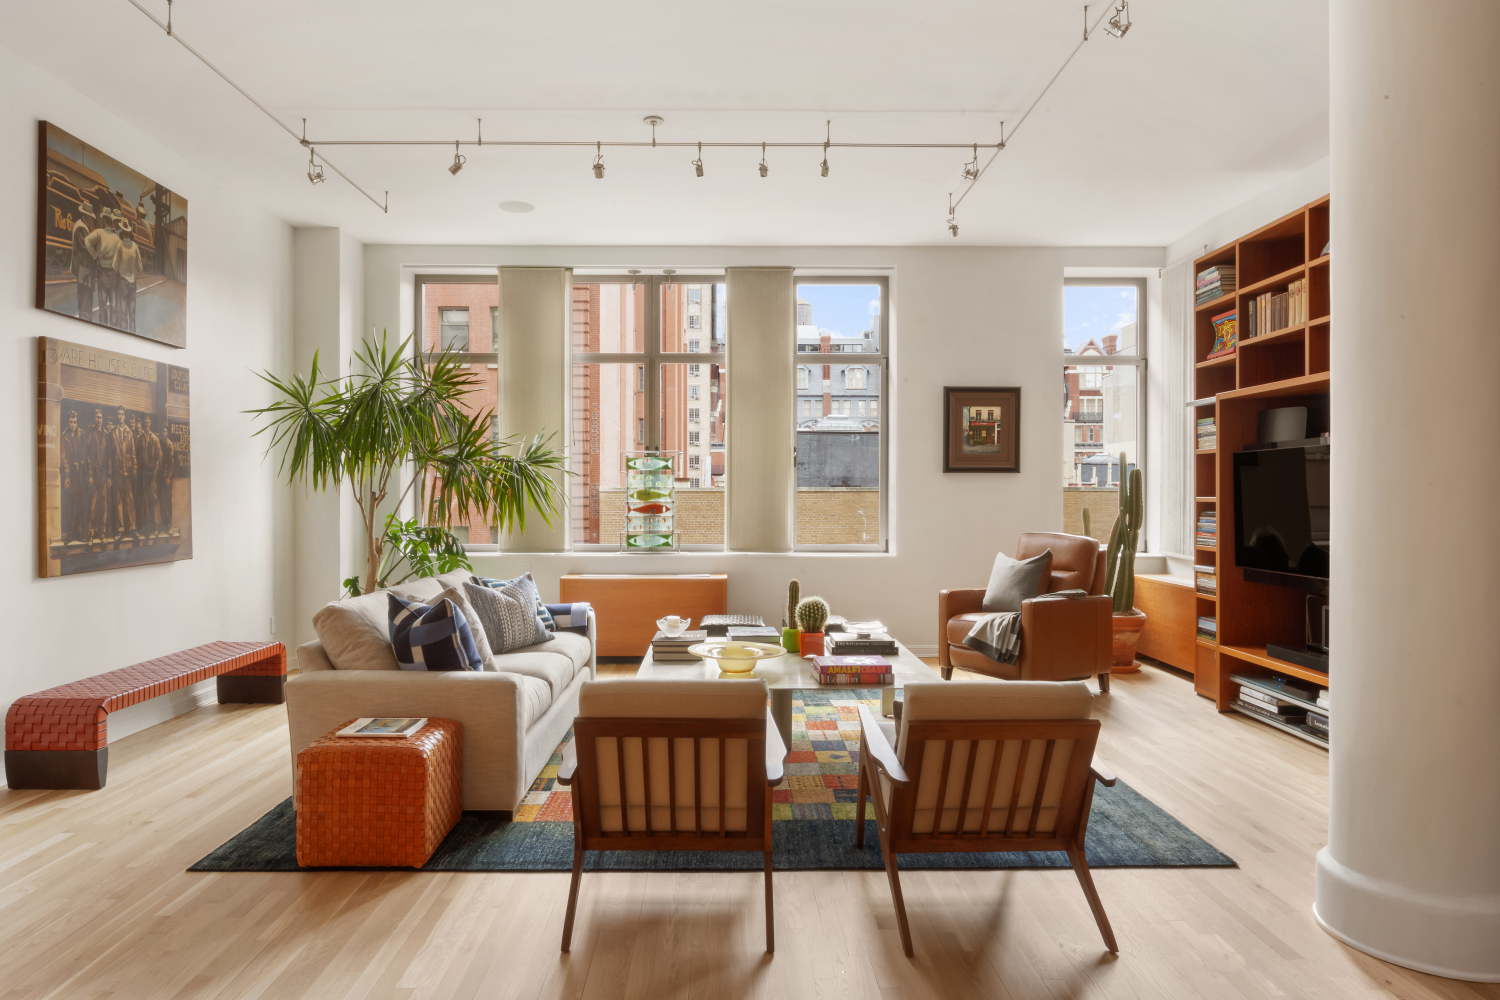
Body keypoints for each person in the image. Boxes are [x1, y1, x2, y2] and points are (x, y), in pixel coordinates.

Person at [84, 209, 122, 328]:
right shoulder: (117, 239)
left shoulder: (99, 233)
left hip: (102, 273)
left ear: (104, 221)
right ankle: (113, 328)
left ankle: (103, 327)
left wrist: (95, 256)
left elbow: (87, 241)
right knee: (114, 305)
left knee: (103, 304)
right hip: (114, 275)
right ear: (111, 222)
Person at [59, 410, 87, 543]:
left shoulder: (82, 434)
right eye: (71, 422)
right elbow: (63, 458)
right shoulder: (64, 436)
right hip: (70, 474)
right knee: (70, 505)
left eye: (75, 422)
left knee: (80, 504)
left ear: (77, 422)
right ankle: (69, 535)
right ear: (68, 422)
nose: (73, 424)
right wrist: (67, 476)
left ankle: (79, 533)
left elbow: (86, 453)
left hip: (80, 474)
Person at [109, 406, 136, 538]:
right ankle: (120, 530)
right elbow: (110, 455)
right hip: (118, 472)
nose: (120, 416)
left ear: (125, 416)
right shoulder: (113, 433)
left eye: (122, 414)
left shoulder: (129, 432)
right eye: (118, 414)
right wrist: (111, 473)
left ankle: (132, 528)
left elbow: (133, 452)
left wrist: (134, 468)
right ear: (117, 416)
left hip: (128, 472)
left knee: (129, 500)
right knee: (119, 501)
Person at [86, 408, 110, 540]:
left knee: (104, 504)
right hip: (94, 473)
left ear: (103, 418)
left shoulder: (106, 435)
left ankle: (102, 533)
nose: (99, 420)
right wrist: (90, 474)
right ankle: (91, 533)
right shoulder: (90, 434)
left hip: (104, 474)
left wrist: (109, 475)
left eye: (100, 417)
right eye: (97, 417)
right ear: (94, 418)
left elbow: (108, 457)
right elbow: (87, 456)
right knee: (93, 504)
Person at [116, 222, 143, 335]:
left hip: (122, 281)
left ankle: (123, 334)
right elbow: (140, 267)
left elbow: (114, 266)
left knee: (123, 313)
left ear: (122, 232)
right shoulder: (135, 246)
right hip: (133, 282)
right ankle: (132, 333)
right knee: (132, 314)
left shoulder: (119, 245)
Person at [70, 202, 96, 322]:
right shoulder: (82, 228)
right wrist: (93, 233)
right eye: (90, 218)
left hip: (84, 269)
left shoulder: (82, 226)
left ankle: (86, 318)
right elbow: (87, 247)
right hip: (84, 269)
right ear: (86, 216)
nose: (92, 220)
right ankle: (86, 320)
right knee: (85, 298)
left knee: (85, 297)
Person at [137, 414, 160, 535]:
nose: (146, 424)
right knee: (144, 499)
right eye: (145, 422)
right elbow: (137, 455)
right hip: (143, 473)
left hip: (152, 472)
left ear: (150, 424)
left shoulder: (155, 439)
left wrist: (155, 472)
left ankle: (156, 526)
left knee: (153, 498)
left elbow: (159, 457)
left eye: (148, 422)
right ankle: (147, 525)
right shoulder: (139, 438)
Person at [156, 424, 174, 532]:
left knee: (167, 501)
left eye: (165, 431)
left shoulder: (169, 444)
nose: (164, 433)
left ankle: (168, 525)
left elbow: (171, 464)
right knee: (161, 500)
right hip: (160, 476)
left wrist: (168, 477)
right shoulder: (159, 442)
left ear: (167, 433)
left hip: (166, 476)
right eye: (162, 431)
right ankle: (162, 524)